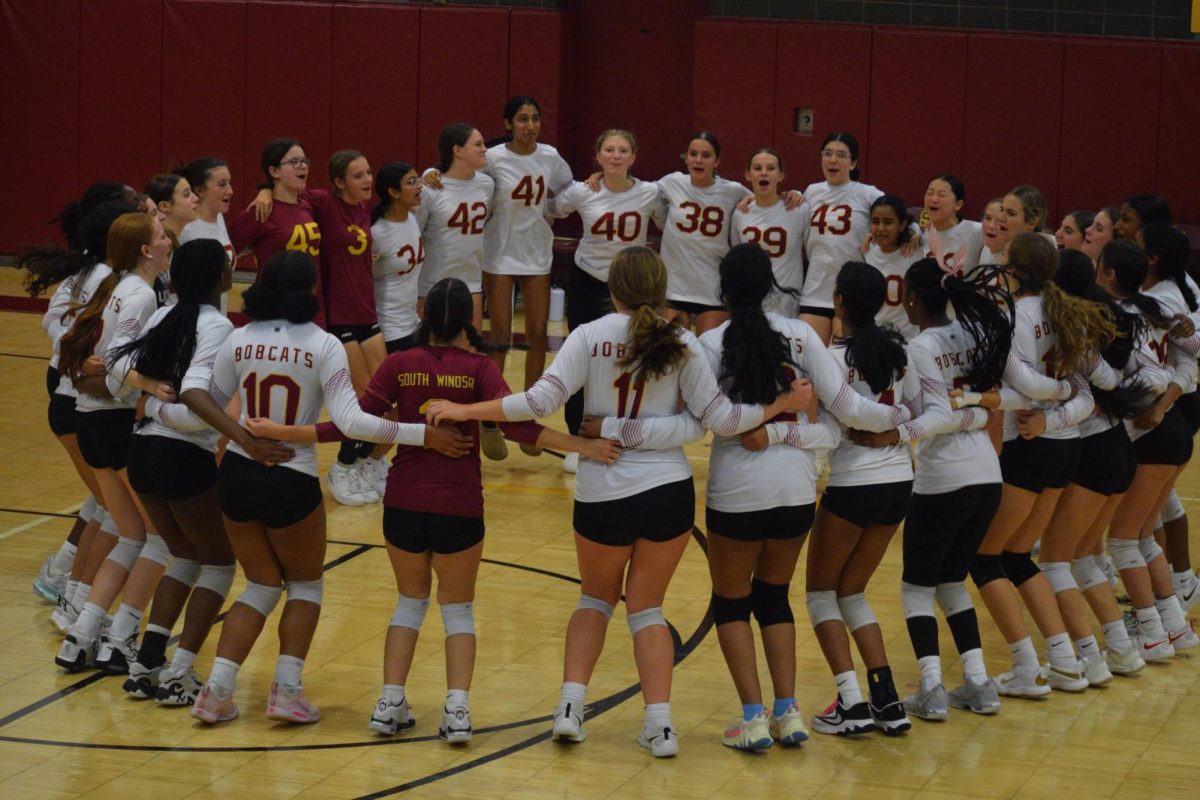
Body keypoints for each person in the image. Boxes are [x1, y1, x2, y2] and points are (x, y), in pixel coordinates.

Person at [425, 246, 813, 757]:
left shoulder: (589, 335)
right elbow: (718, 422)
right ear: (662, 288)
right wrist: (782, 404)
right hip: (667, 493)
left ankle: (569, 708)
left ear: (612, 288)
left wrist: (465, 407)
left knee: (594, 600)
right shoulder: (684, 343)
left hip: (603, 491)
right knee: (648, 608)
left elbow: (538, 403)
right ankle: (661, 726)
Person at [246, 277, 619, 743]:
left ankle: (388, 703)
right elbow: (522, 430)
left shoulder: (400, 364)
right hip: (459, 506)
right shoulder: (480, 371)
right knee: (458, 610)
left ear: (423, 315)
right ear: (470, 319)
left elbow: (352, 425)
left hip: (403, 504)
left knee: (409, 603)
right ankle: (457, 712)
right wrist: (583, 446)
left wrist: (286, 431)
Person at [174, 251, 431, 724]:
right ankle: (287, 692)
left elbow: (200, 400)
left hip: (234, 474)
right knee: (306, 586)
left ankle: (215, 692)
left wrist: (244, 440)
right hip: (290, 476)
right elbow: (351, 421)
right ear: (310, 291)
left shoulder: (239, 336)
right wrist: (419, 433)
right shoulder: (324, 343)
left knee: (258, 585)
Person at [851, 254, 1028, 721]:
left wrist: (895, 433)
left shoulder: (921, 346)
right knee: (952, 580)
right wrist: (977, 415)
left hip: (943, 480)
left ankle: (930, 689)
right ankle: (978, 684)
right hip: (988, 476)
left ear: (911, 297)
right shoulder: (976, 334)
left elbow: (933, 415)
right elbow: (986, 407)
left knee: (915, 586)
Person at [105, 240, 246, 702]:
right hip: (180, 458)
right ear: (219, 278)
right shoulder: (219, 326)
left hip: (141, 454)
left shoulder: (164, 314)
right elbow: (190, 410)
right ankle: (180, 672)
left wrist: (143, 400)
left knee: (183, 555)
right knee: (221, 565)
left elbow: (114, 364)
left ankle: (146, 663)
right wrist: (155, 404)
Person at [53, 212, 174, 672]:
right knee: (160, 540)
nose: (167, 243)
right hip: (115, 422)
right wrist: (152, 386)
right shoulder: (140, 293)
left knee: (131, 536)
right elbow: (119, 367)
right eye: (162, 237)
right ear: (146, 250)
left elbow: (96, 356)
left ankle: (80, 636)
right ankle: (119, 640)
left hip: (91, 422)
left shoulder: (119, 286)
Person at [807, 262, 913, 736]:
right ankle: (886, 700)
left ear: (839, 302)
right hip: (899, 481)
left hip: (854, 483)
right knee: (852, 591)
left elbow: (835, 422)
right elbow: (912, 409)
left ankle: (850, 703)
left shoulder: (830, 357)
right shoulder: (898, 350)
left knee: (820, 594)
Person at [20, 193, 134, 621]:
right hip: (82, 396)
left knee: (107, 503)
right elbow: (52, 320)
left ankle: (68, 580)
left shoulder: (110, 274)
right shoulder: (107, 278)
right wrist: (79, 347)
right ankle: (73, 593)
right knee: (117, 510)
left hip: (85, 395)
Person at [254, 149, 389, 504]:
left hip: (367, 315)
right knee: (362, 403)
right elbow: (285, 190)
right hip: (339, 319)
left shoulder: (366, 208)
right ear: (339, 182)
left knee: (392, 399)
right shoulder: (325, 203)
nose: (367, 180)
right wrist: (264, 191)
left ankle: (367, 463)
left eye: (369, 172)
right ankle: (344, 467)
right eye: (358, 175)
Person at [549, 129, 664, 472]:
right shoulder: (583, 192)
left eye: (623, 150)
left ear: (633, 157)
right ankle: (577, 439)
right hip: (589, 282)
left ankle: (628, 433)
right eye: (609, 150)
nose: (616, 155)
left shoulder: (650, 193)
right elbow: (548, 209)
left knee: (631, 359)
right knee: (582, 359)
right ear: (598, 156)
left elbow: (672, 220)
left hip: (632, 285)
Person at [796, 133, 883, 343]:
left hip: (851, 292)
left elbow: (901, 218)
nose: (833, 160)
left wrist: (913, 233)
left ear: (853, 163)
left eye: (841, 155)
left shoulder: (868, 194)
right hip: (815, 290)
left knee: (842, 366)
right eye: (827, 153)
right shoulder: (811, 191)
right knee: (809, 363)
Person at [731, 148, 808, 316]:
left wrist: (797, 194)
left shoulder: (798, 210)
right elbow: (737, 261)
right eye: (757, 168)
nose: (764, 173)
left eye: (771, 168)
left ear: (781, 175)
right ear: (748, 175)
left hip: (787, 308)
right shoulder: (740, 213)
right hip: (751, 307)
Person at [176, 157, 235, 314]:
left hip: (217, 319)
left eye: (229, 183)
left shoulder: (219, 218)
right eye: (222, 185)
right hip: (194, 322)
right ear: (200, 190)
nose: (230, 191)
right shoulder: (186, 228)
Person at [863, 195, 920, 340]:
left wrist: (916, 231)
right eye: (875, 222)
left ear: (901, 225)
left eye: (888, 222)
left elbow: (932, 228)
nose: (880, 228)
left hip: (910, 339)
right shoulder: (868, 249)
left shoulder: (916, 250)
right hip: (877, 337)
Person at [923, 175, 982, 274]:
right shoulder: (923, 233)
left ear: (958, 204)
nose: (933, 199)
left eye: (941, 195)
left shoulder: (977, 231)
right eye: (929, 193)